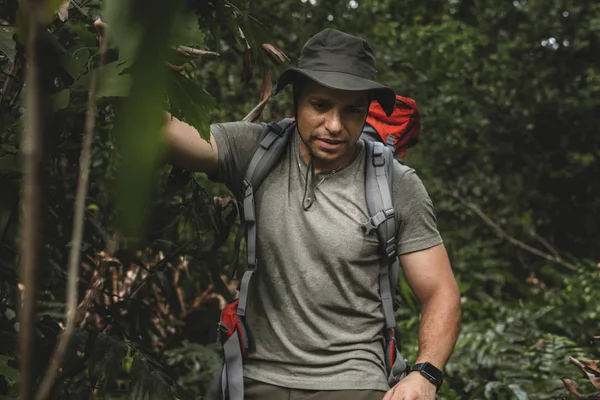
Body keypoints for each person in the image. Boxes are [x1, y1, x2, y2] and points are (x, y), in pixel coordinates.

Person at [165, 29, 461, 400]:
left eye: (352, 110)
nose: (336, 126)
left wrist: (425, 374)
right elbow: (164, 135)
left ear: (367, 109)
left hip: (352, 381)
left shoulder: (395, 183)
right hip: (255, 376)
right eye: (320, 105)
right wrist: (123, 64)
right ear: (297, 100)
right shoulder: (255, 150)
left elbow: (439, 292)